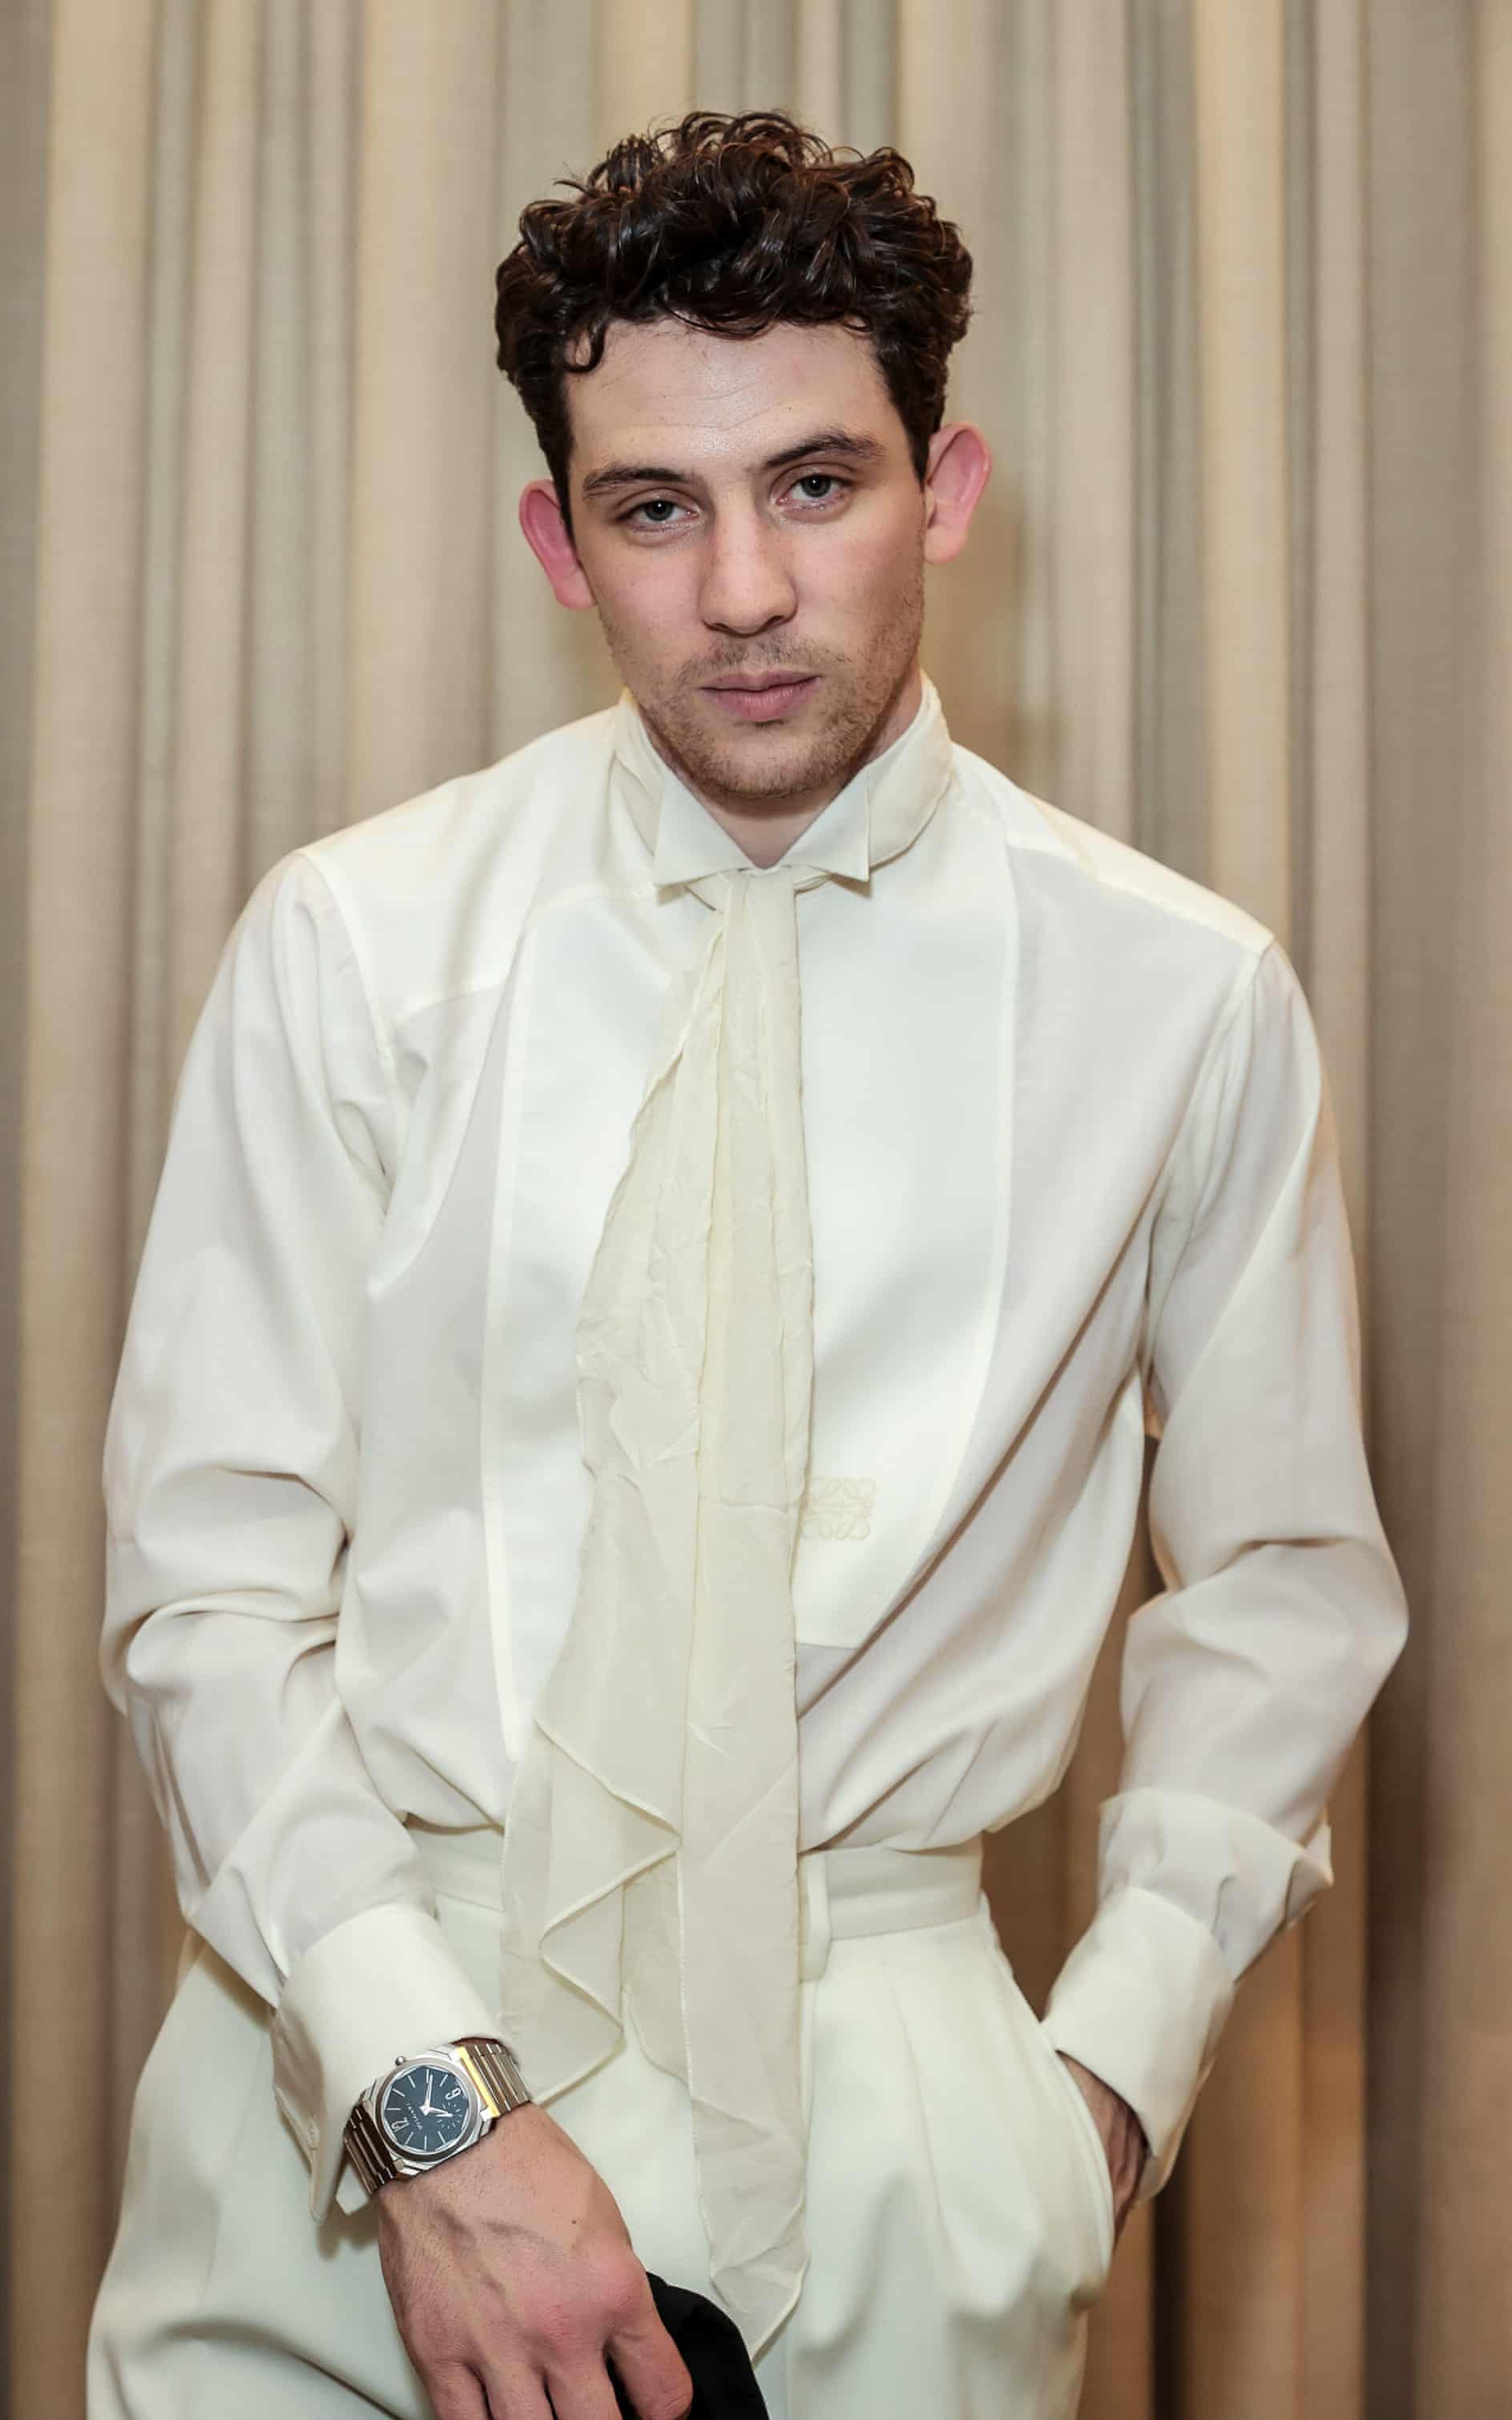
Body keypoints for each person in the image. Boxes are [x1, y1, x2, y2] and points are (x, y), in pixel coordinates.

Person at [85, 109, 1407, 2420]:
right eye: (654, 508)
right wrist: (424, 2112)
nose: (744, 592)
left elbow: (1286, 1582)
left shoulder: (1181, 996)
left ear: (946, 491)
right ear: (557, 543)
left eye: (815, 484)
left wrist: (1098, 2087)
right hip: (352, 2091)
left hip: (894, 2127)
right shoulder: (356, 944)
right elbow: (208, 1588)